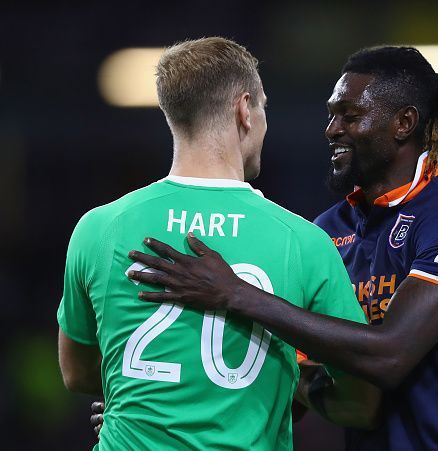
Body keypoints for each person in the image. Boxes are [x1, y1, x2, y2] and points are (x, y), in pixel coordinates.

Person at [126, 46, 438, 450]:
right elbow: (290, 389)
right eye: (331, 115)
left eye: (350, 115)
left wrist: (235, 293)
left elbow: (390, 354)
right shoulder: (325, 232)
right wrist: (148, 422)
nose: (332, 129)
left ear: (404, 123)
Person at [57, 37, 380, 450]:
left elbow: (78, 373)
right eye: (264, 106)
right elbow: (362, 401)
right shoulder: (304, 242)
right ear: (245, 109)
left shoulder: (98, 227)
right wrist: (281, 380)